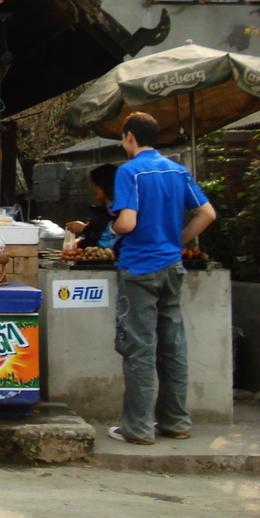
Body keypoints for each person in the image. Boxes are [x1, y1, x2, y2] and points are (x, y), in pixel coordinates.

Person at [108, 111, 217, 445]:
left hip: (140, 269)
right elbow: (207, 213)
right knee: (173, 346)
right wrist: (178, 241)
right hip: (172, 269)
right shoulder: (178, 170)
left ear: (129, 136)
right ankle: (175, 422)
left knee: (139, 349)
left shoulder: (130, 171)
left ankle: (138, 428)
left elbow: (127, 223)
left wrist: (112, 229)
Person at [66, 163, 119, 250]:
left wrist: (85, 229)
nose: (93, 188)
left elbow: (109, 244)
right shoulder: (102, 211)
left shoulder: (118, 212)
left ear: (107, 185)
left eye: (96, 185)